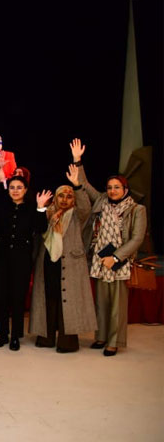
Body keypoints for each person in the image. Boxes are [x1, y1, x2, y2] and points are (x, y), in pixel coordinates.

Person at [76, 139, 147, 357]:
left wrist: (116, 258)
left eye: (117, 187)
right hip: (99, 259)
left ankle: (114, 342)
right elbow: (85, 185)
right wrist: (78, 161)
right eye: (109, 187)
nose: (112, 191)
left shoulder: (136, 209)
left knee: (117, 305)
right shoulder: (102, 201)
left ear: (125, 189)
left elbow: (136, 239)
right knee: (101, 303)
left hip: (119, 262)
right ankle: (101, 336)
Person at [29, 163, 96, 352]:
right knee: (48, 298)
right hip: (48, 263)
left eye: (69, 196)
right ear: (55, 197)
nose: (65, 199)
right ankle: (46, 337)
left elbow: (85, 206)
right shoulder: (48, 213)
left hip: (70, 264)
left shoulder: (77, 215)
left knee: (68, 300)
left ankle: (67, 342)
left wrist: (77, 185)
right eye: (61, 195)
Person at [0, 175, 50, 351]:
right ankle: (2, 334)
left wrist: (41, 208)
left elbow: (41, 228)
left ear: (25, 190)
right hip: (2, 257)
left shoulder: (32, 208)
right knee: (1, 297)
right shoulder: (1, 206)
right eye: (12, 187)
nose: (16, 190)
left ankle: (15, 336)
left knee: (18, 298)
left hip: (22, 259)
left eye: (19, 187)